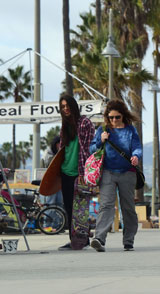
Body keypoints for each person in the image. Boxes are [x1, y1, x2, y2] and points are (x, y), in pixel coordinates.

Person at [90, 99, 142, 252]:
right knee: (106, 205)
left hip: (127, 173)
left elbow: (137, 147)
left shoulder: (130, 130)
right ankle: (99, 238)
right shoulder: (103, 130)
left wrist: (136, 156)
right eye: (111, 117)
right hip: (108, 172)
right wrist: (100, 141)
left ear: (123, 116)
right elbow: (92, 148)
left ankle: (128, 240)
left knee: (128, 208)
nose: (114, 120)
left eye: (117, 117)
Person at [57, 95, 95, 250]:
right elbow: (62, 149)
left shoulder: (85, 122)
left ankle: (83, 240)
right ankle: (74, 240)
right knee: (68, 207)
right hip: (65, 171)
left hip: (80, 172)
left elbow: (89, 148)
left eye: (68, 105)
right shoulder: (64, 126)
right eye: (63, 106)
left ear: (73, 106)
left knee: (80, 209)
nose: (66, 109)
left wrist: (86, 171)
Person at [40, 136, 63, 207]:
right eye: (59, 144)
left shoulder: (55, 153)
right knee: (51, 202)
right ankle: (48, 218)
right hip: (50, 182)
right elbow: (51, 164)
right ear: (56, 144)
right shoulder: (48, 154)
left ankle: (58, 218)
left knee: (59, 202)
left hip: (58, 182)